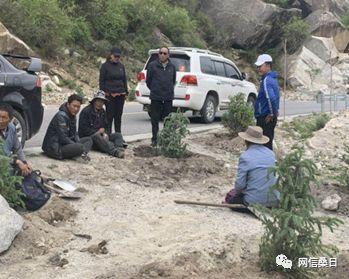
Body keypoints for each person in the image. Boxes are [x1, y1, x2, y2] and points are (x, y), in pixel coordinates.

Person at [225, 126, 280, 207]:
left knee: (231, 198)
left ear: (246, 140)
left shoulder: (245, 156)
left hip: (254, 201)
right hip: (274, 200)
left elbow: (239, 186)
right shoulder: (270, 153)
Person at [42, 94, 93, 161]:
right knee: (80, 147)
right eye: (74, 106)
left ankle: (82, 153)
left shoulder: (73, 115)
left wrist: (77, 142)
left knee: (89, 140)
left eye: (78, 107)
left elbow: (74, 133)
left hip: (65, 144)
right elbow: (63, 138)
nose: (76, 109)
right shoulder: (61, 116)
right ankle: (80, 152)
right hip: (55, 148)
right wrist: (76, 145)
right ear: (68, 104)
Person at [78, 90, 125, 158]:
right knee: (97, 137)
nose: (100, 103)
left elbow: (106, 126)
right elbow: (84, 129)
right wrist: (98, 132)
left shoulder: (102, 111)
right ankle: (114, 152)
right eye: (99, 101)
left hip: (102, 136)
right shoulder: (86, 111)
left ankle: (119, 149)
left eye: (102, 101)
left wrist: (105, 133)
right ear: (94, 101)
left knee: (118, 135)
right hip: (90, 138)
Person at [146, 46, 176, 147]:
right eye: (161, 53)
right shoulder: (152, 65)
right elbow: (148, 81)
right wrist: (155, 89)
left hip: (168, 97)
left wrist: (168, 90)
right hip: (156, 97)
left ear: (168, 55)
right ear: (158, 54)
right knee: (154, 119)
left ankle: (166, 140)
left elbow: (173, 81)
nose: (162, 55)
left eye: (165, 53)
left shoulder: (172, 67)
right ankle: (155, 139)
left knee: (167, 119)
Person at [99, 47, 128, 139]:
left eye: (118, 56)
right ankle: (109, 136)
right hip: (109, 95)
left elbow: (124, 80)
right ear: (111, 55)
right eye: (115, 56)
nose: (117, 58)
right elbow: (101, 81)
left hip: (121, 94)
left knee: (118, 117)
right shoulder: (105, 66)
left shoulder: (121, 66)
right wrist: (103, 93)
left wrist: (126, 92)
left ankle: (118, 136)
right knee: (109, 117)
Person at [254, 54, 280, 150]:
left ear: (268, 66)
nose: (258, 68)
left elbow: (271, 98)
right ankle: (269, 162)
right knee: (268, 142)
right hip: (269, 116)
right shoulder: (273, 79)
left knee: (263, 144)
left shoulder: (266, 80)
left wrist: (272, 113)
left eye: (260, 66)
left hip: (265, 117)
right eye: (257, 66)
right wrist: (275, 112)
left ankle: (266, 163)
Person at [0, 103, 31, 175]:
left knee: (26, 171)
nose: (0, 120)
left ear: (10, 119)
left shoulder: (11, 128)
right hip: (4, 163)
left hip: (7, 163)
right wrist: (16, 161)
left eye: (4, 117)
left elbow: (17, 148)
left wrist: (24, 162)